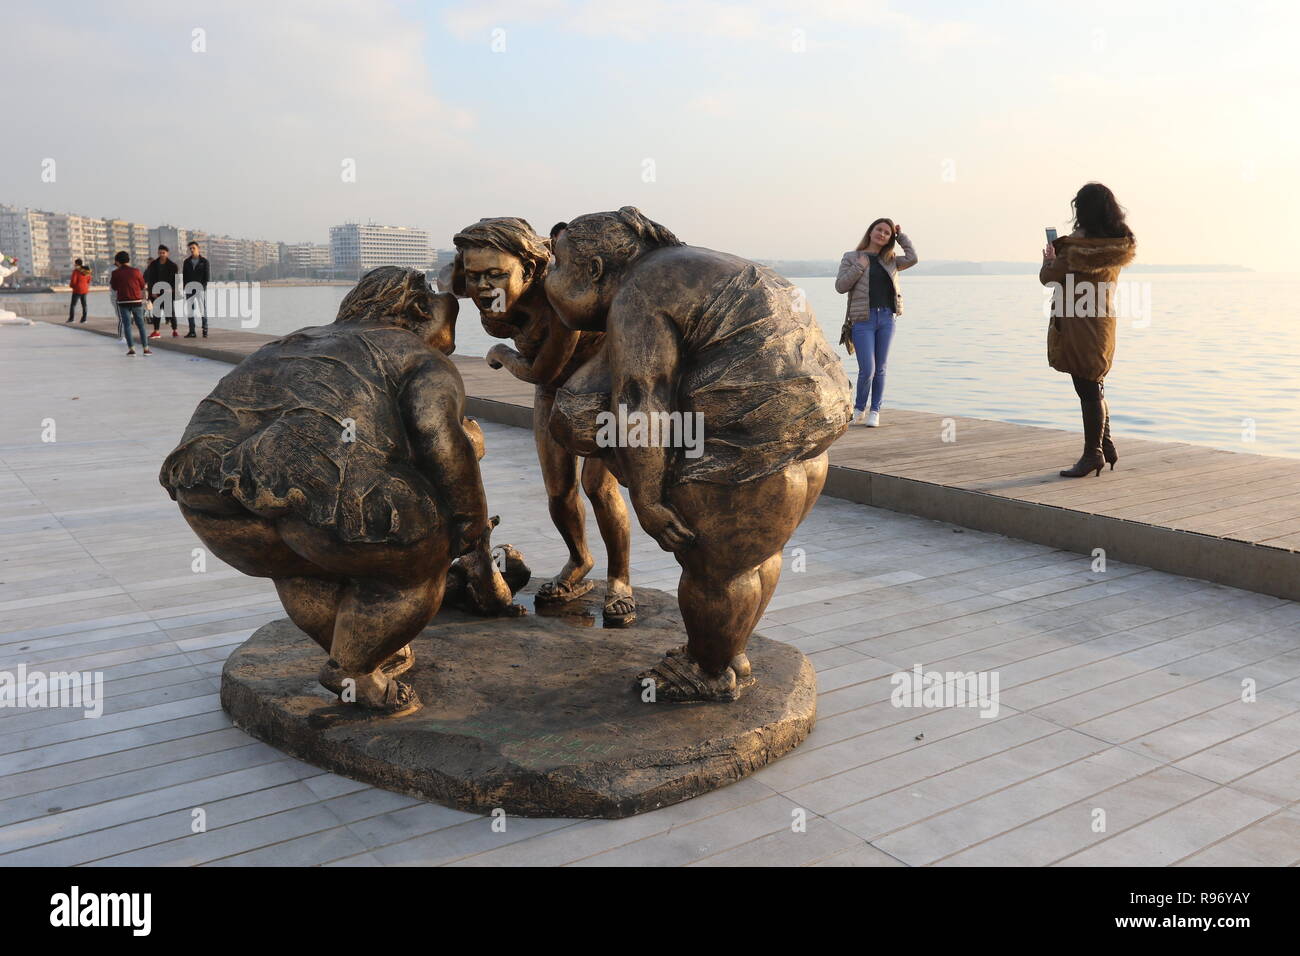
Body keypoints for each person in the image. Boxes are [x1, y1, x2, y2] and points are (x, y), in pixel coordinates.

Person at [545, 207, 851, 701]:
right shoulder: (691, 267)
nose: (550, 279)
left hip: (747, 447)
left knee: (713, 571)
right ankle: (726, 653)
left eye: (556, 266)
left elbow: (642, 398)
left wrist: (647, 496)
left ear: (594, 270)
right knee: (752, 557)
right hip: (808, 439)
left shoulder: (639, 293)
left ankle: (710, 673)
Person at [159, 268, 484, 715]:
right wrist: (471, 520)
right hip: (312, 485)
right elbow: (437, 435)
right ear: (418, 310)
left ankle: (356, 646)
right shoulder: (417, 356)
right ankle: (355, 668)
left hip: (204, 488)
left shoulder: (294, 340)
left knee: (300, 564)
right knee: (426, 550)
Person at [451, 217, 636, 625]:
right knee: (558, 490)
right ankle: (579, 560)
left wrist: (501, 353)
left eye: (496, 274)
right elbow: (451, 289)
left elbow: (542, 371)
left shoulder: (561, 300)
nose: (483, 287)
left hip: (600, 386)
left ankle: (620, 579)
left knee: (597, 486)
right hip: (553, 391)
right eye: (474, 274)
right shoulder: (488, 294)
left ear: (531, 270)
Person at [1039, 183, 1137, 477]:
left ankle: (1093, 453)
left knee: (1086, 386)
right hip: (1102, 319)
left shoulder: (1074, 248)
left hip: (1077, 319)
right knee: (1094, 380)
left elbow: (1049, 278)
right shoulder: (1117, 244)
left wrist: (1049, 258)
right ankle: (1104, 444)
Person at [835, 218, 917, 427]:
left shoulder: (890, 260)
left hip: (887, 318)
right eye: (879, 230)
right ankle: (859, 408)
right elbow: (841, 286)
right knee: (867, 369)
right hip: (863, 319)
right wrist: (859, 267)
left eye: (887, 233)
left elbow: (913, 257)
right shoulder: (852, 257)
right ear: (871, 231)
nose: (882, 234)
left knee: (881, 367)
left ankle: (875, 411)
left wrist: (901, 236)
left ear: (890, 238)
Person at [109, 251, 150, 356]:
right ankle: (145, 349)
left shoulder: (115, 273)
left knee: (127, 325)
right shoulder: (136, 271)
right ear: (128, 260)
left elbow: (114, 287)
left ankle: (132, 349)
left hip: (123, 301)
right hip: (136, 301)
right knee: (141, 325)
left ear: (118, 262)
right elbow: (142, 285)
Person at [144, 244, 180, 338]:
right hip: (156, 293)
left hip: (168, 292)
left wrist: (171, 290)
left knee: (170, 312)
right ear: (158, 253)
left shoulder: (173, 266)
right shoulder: (153, 264)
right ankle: (156, 331)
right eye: (160, 253)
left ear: (167, 253)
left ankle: (175, 330)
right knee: (156, 313)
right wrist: (153, 292)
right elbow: (151, 279)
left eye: (163, 253)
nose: (162, 254)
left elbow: (176, 280)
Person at [182, 240, 210, 337]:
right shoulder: (186, 262)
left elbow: (207, 277)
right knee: (190, 310)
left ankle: (205, 329)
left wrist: (202, 287)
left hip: (200, 289)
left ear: (198, 249)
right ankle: (192, 331)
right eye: (190, 248)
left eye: (193, 248)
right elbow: (184, 276)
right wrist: (185, 286)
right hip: (189, 289)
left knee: (202, 309)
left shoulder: (204, 262)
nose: (192, 250)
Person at [66, 259, 91, 323]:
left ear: (77, 264)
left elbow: (73, 281)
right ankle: (84, 319)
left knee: (73, 305)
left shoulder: (76, 271)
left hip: (77, 290)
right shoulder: (87, 270)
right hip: (85, 290)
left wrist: (72, 286)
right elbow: (89, 280)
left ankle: (71, 319)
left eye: (75, 263)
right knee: (84, 305)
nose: (74, 265)